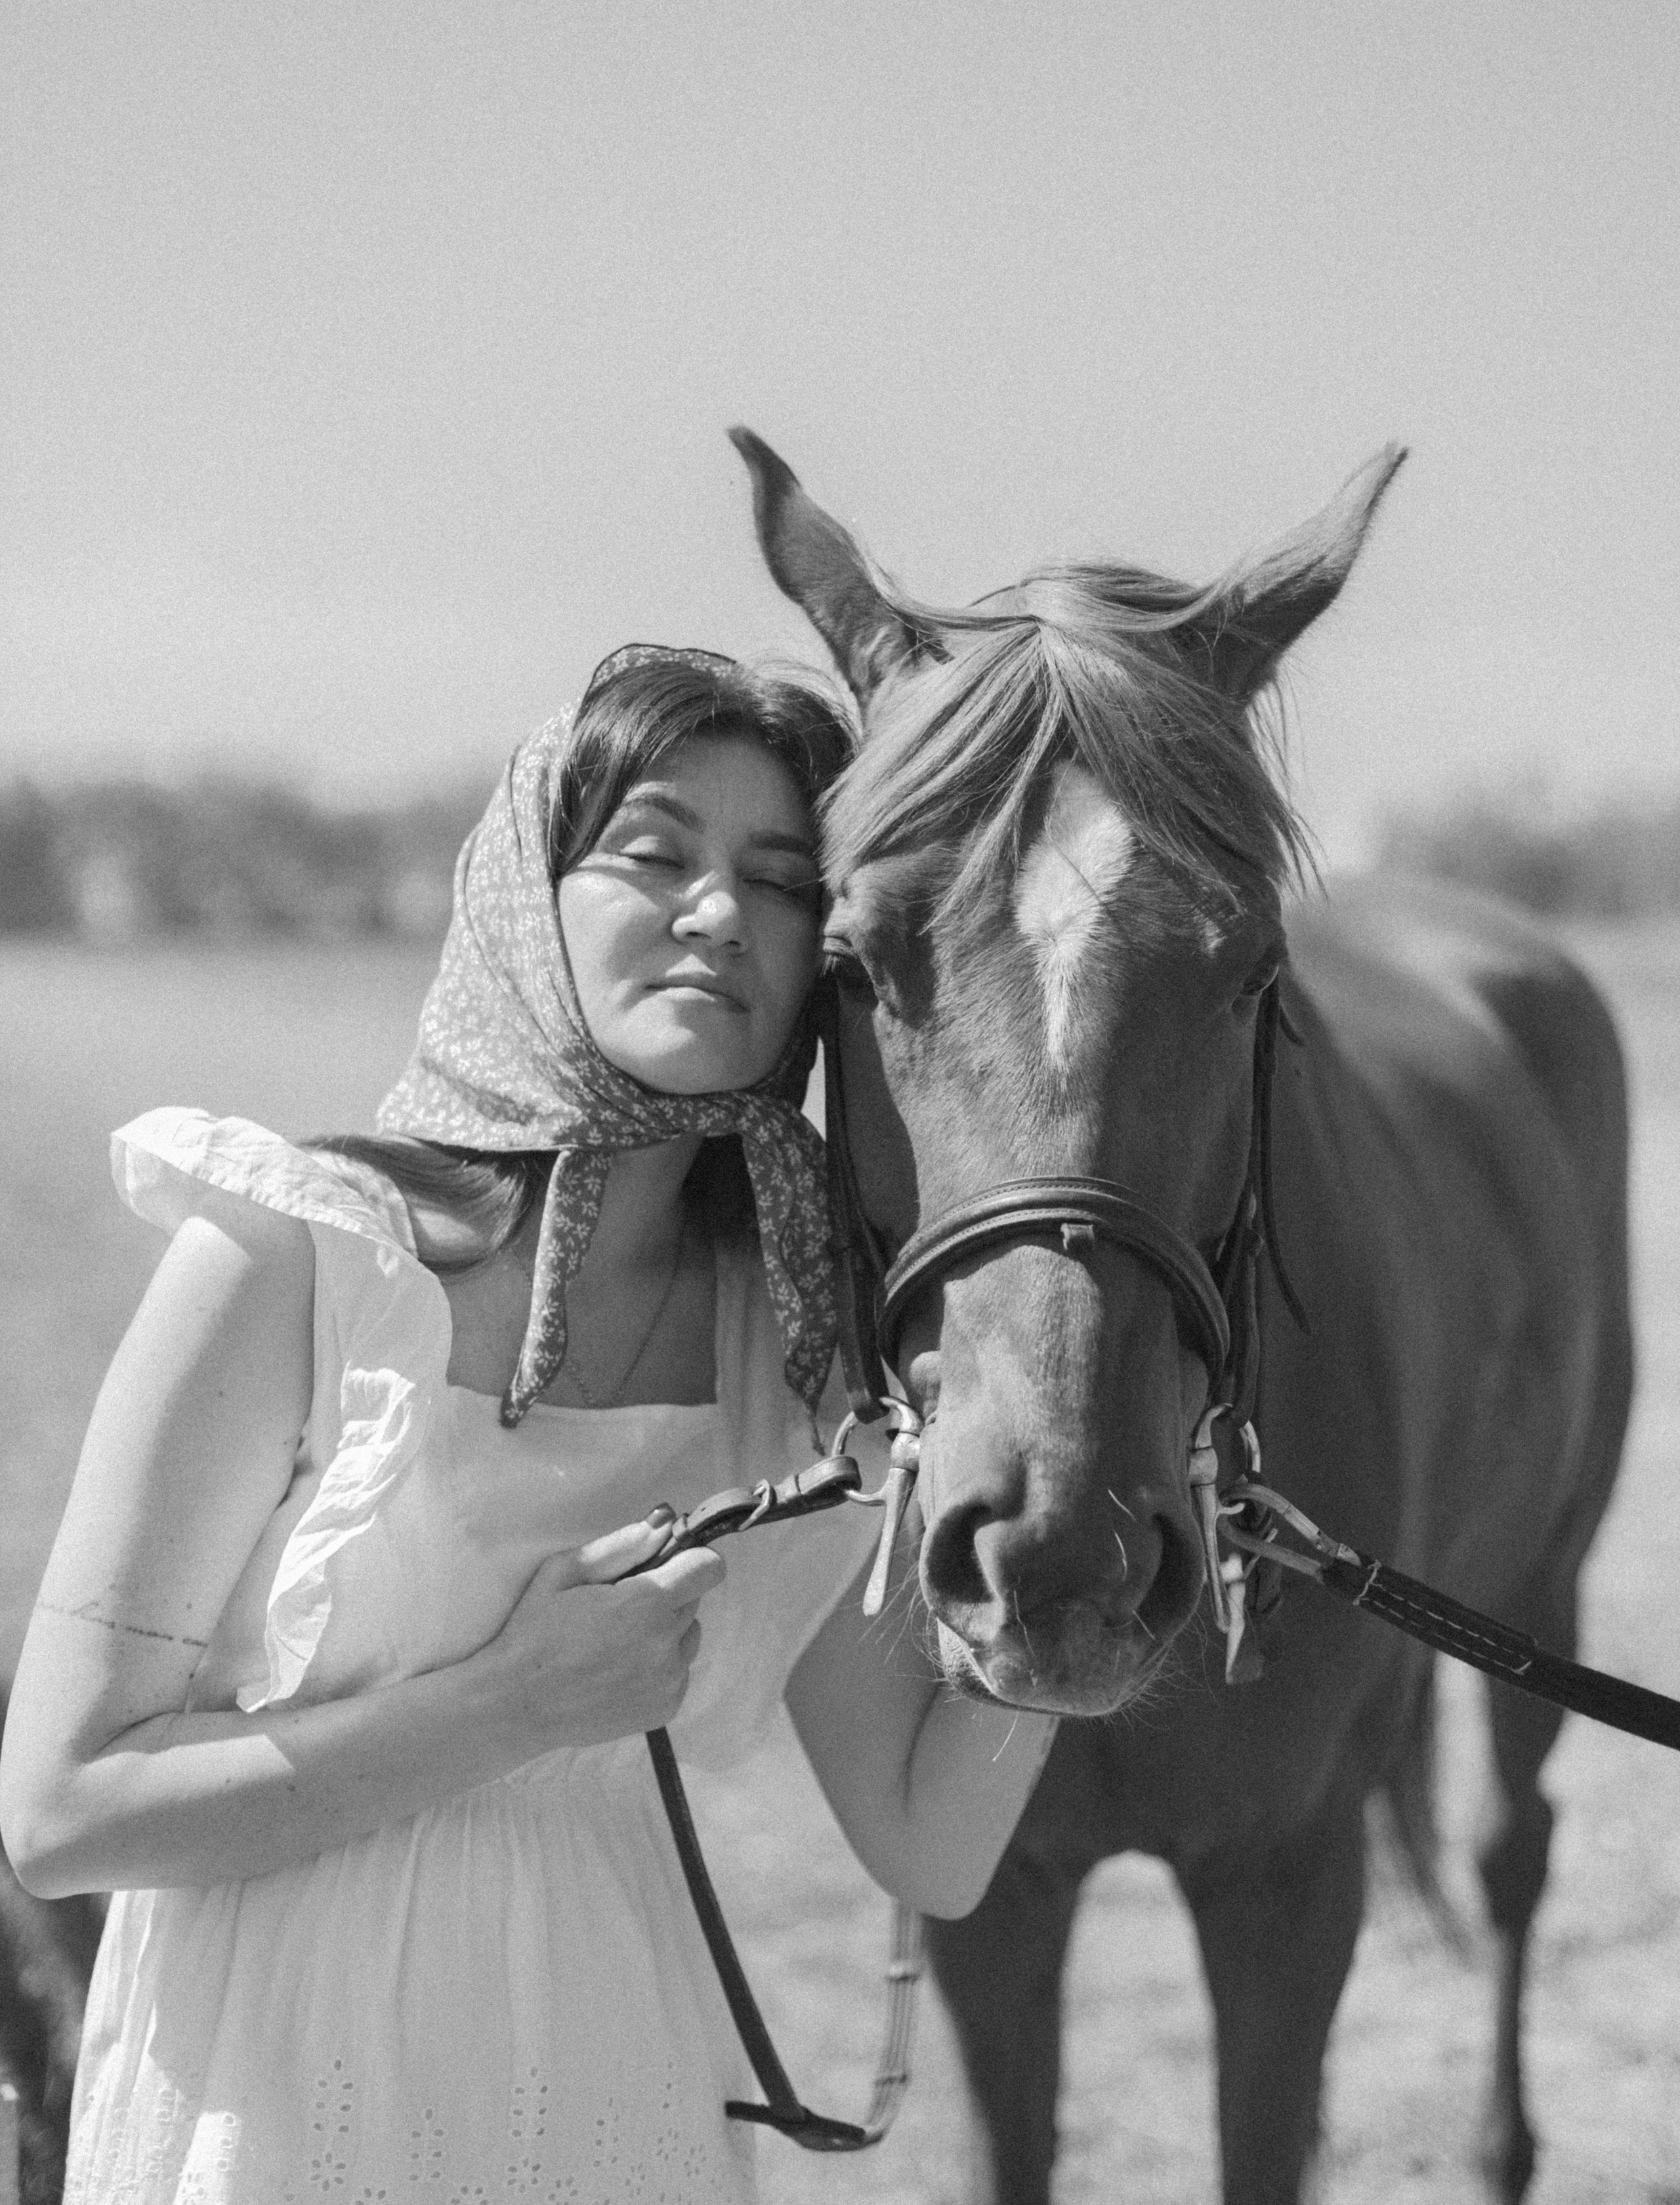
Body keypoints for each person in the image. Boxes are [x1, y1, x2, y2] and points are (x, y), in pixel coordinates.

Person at [0, 643, 1058, 2202]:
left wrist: (1090, 1548)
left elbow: (926, 1840)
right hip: (279, 2088)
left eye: (777, 881)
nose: (717, 913)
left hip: (613, 2079)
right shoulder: (295, 1251)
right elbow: (61, 1811)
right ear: (524, 892)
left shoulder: (795, 1338)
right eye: (652, 853)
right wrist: (517, 1703)